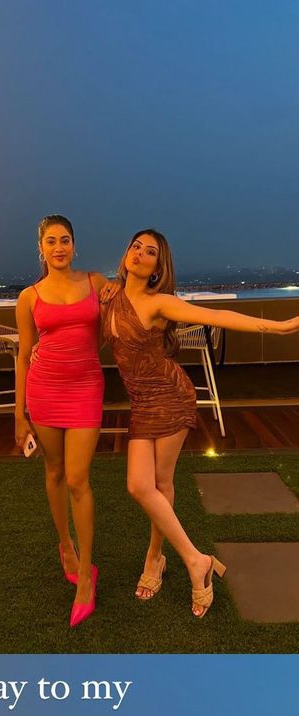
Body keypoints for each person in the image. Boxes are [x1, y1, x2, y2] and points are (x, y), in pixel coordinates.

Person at [101, 230, 299, 616]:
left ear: (159, 267)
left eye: (150, 252)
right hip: (141, 401)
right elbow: (78, 313)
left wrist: (280, 327)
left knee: (157, 484)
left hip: (171, 396)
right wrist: (45, 345)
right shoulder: (108, 294)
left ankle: (158, 559)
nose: (139, 254)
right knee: (141, 486)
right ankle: (193, 559)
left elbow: (215, 316)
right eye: (135, 246)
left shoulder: (160, 303)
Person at [15, 216, 112, 627]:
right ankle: (65, 545)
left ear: (75, 244)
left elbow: (117, 321)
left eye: (65, 240)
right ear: (41, 248)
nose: (59, 247)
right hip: (44, 391)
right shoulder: (29, 296)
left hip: (87, 386)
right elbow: (24, 353)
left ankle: (86, 577)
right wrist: (19, 414)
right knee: (54, 471)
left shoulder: (96, 282)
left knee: (77, 478)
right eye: (51, 241)